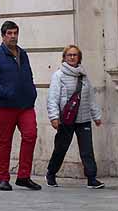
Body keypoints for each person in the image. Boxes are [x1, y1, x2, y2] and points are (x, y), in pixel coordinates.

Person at [0, 20, 40, 191]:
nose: (13, 36)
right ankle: (3, 178)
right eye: (9, 33)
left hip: (26, 105)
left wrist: (32, 91)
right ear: (3, 35)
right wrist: (5, 92)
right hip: (5, 106)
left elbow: (28, 75)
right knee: (4, 142)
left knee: (30, 135)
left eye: (15, 33)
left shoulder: (23, 54)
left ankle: (23, 176)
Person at [45, 45, 104, 189]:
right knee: (61, 148)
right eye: (69, 55)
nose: (72, 57)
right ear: (64, 58)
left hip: (83, 119)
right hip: (66, 119)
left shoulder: (83, 75)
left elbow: (90, 97)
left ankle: (91, 178)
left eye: (75, 55)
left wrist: (96, 116)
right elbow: (52, 98)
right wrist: (54, 117)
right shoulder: (58, 75)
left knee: (87, 150)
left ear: (79, 58)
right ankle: (51, 173)